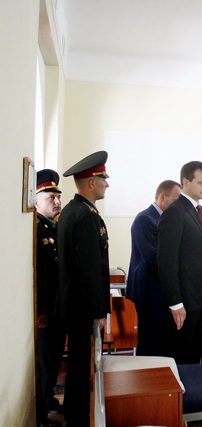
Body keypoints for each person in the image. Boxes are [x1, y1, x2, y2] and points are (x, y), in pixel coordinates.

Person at [57, 151, 111, 426]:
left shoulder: (72, 210)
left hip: (74, 303)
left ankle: (75, 413)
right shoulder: (85, 216)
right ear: (91, 182)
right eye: (103, 179)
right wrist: (99, 310)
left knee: (78, 363)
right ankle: (78, 417)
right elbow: (90, 270)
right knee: (80, 365)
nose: (107, 184)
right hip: (82, 307)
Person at [157, 161, 202, 364]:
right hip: (184, 302)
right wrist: (175, 303)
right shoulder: (175, 212)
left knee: (195, 354)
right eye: (201, 183)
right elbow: (167, 262)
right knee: (181, 357)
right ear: (185, 181)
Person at [126, 180, 181, 356]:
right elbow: (151, 257)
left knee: (163, 338)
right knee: (150, 338)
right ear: (163, 197)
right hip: (149, 288)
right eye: (176, 200)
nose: (179, 205)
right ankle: (147, 371)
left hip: (160, 288)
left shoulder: (165, 219)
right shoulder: (145, 219)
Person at [34, 169, 66, 426]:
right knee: (45, 359)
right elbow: (40, 274)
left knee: (54, 356)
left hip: (59, 306)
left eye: (58, 196)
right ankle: (42, 407)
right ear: (36, 201)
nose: (57, 201)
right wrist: (41, 309)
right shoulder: (36, 228)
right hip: (47, 309)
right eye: (50, 198)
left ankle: (48, 397)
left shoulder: (55, 226)